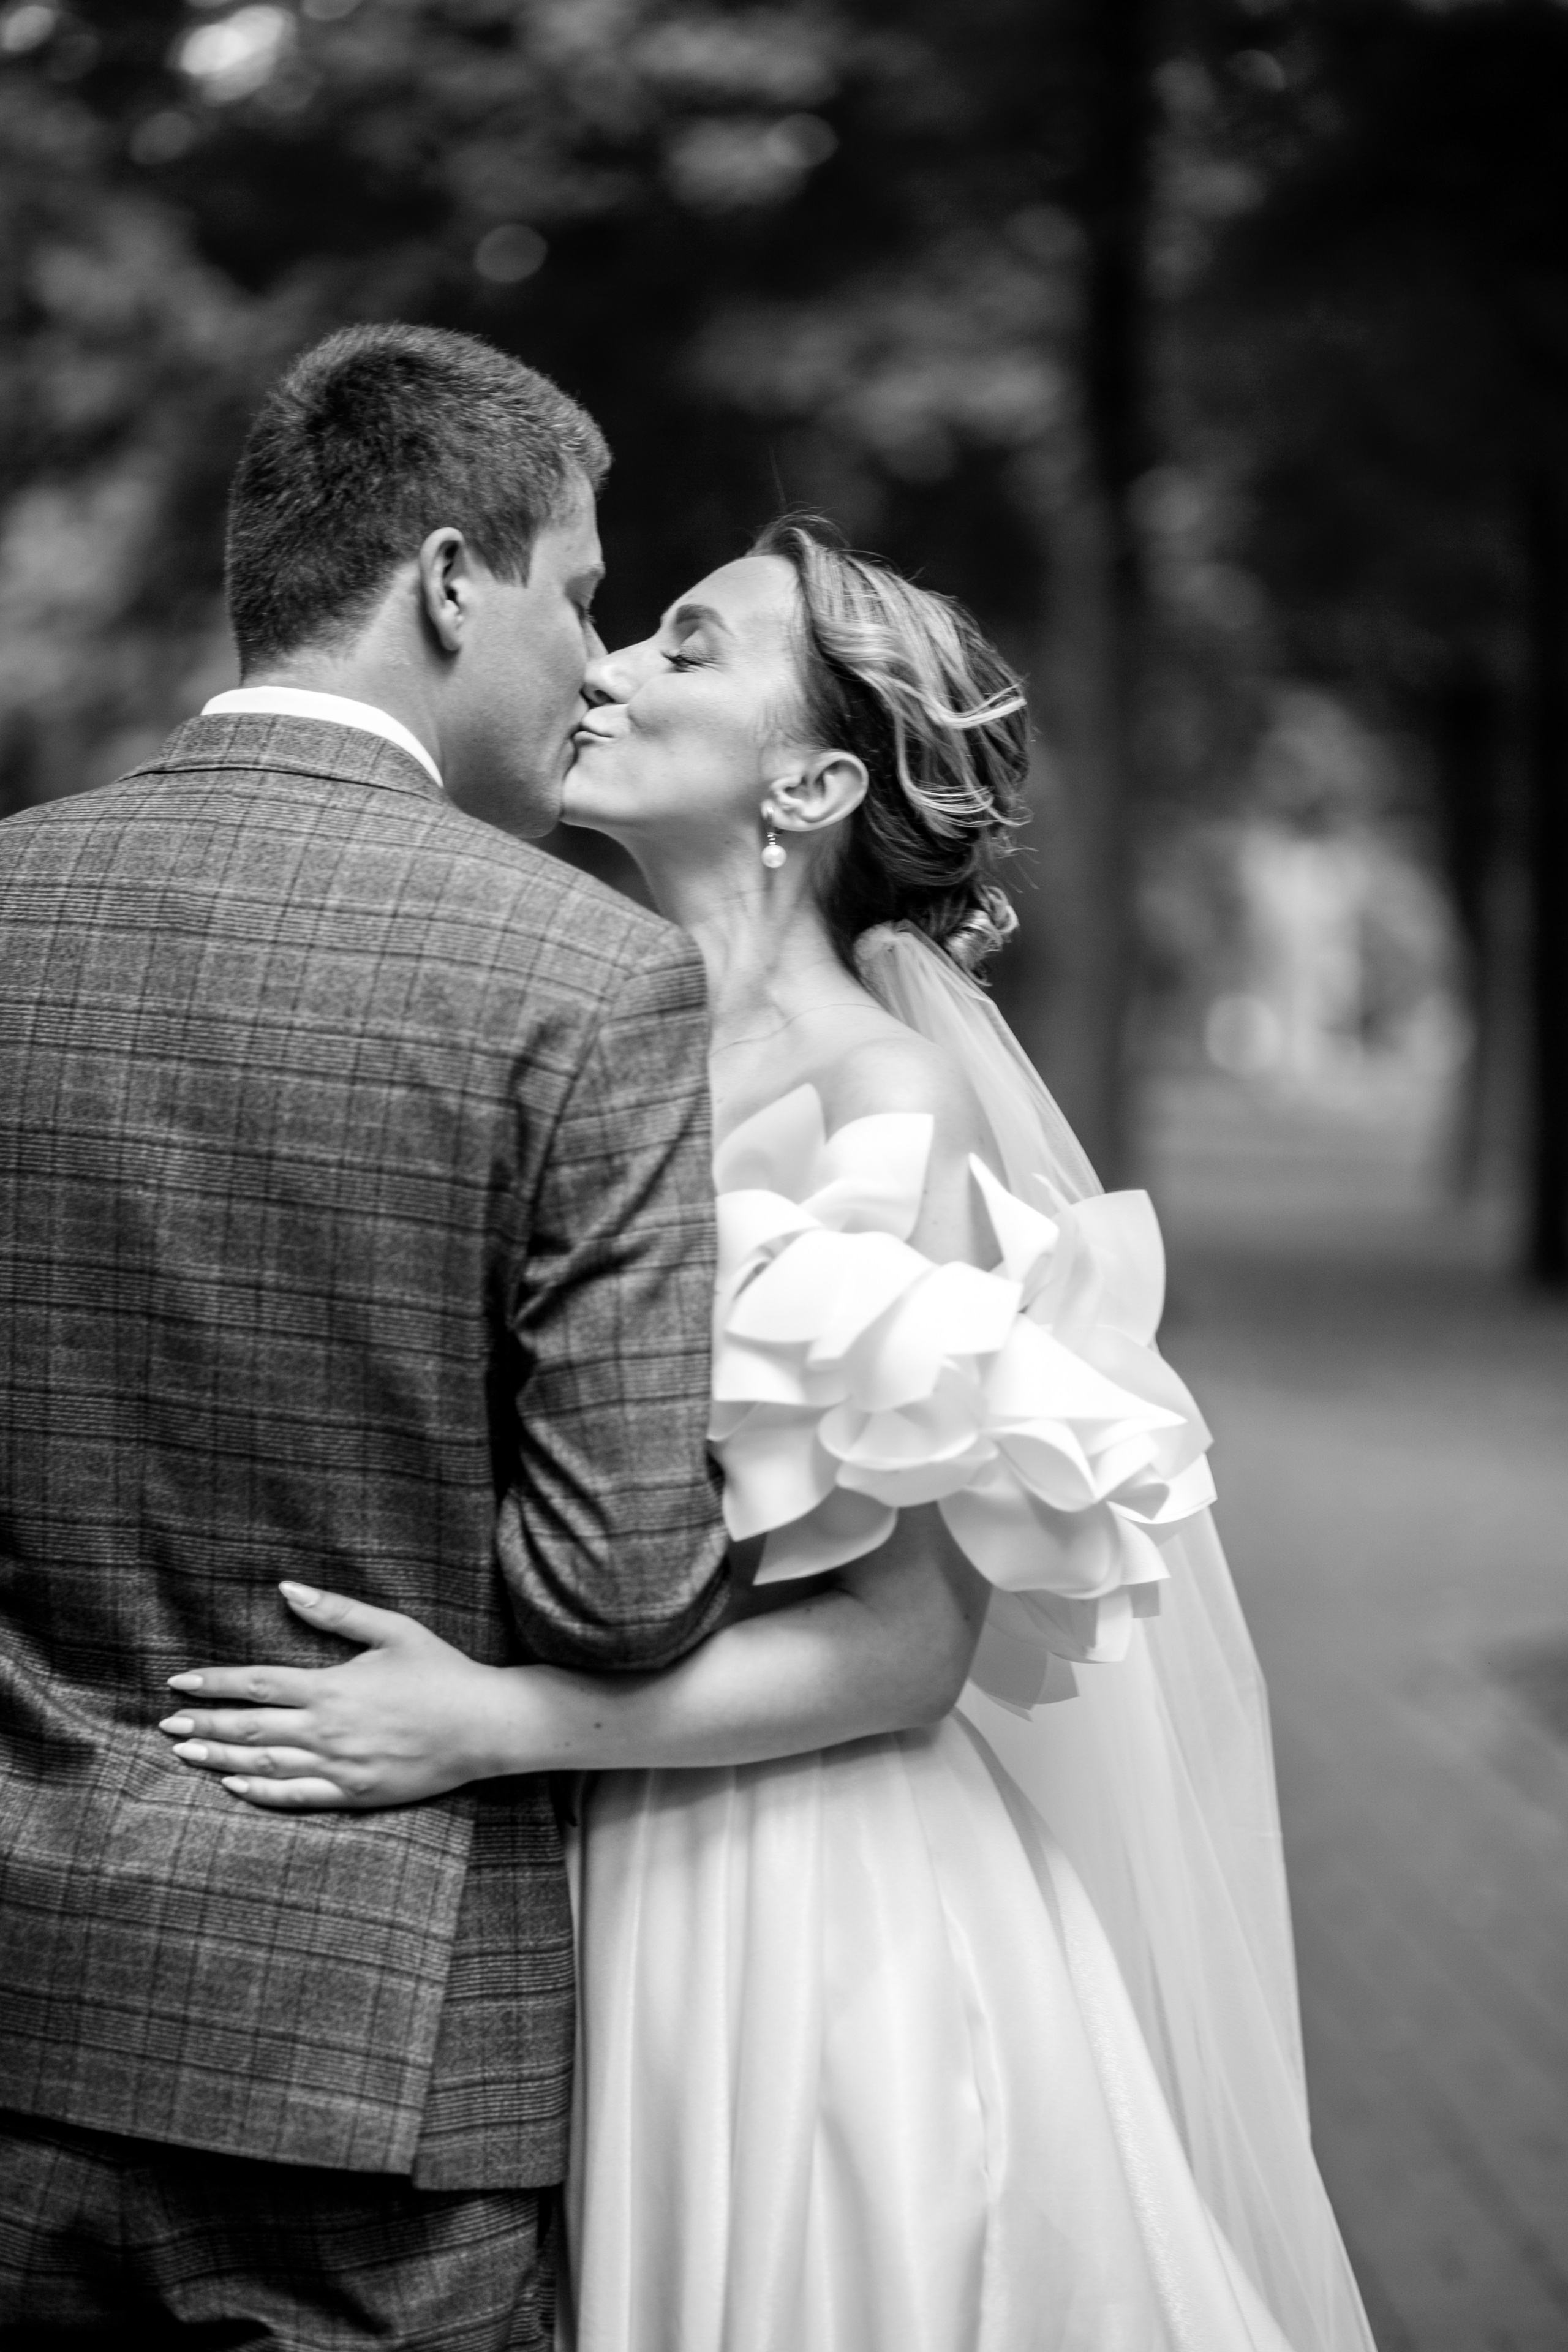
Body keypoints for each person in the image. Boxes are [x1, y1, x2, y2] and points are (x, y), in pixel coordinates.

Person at [160, 521, 1381, 2351]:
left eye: (684, 646)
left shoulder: (883, 1098)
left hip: (806, 1904)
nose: (606, 669)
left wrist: (483, 1724)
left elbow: (909, 1648)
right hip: (609, 1877)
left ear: (807, 782)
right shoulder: (594, 1047)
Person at [0, 323, 734, 2348]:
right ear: (443, 578)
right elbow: (620, 1585)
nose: (596, 662)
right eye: (580, 593)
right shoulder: (586, 980)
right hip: (379, 2079)